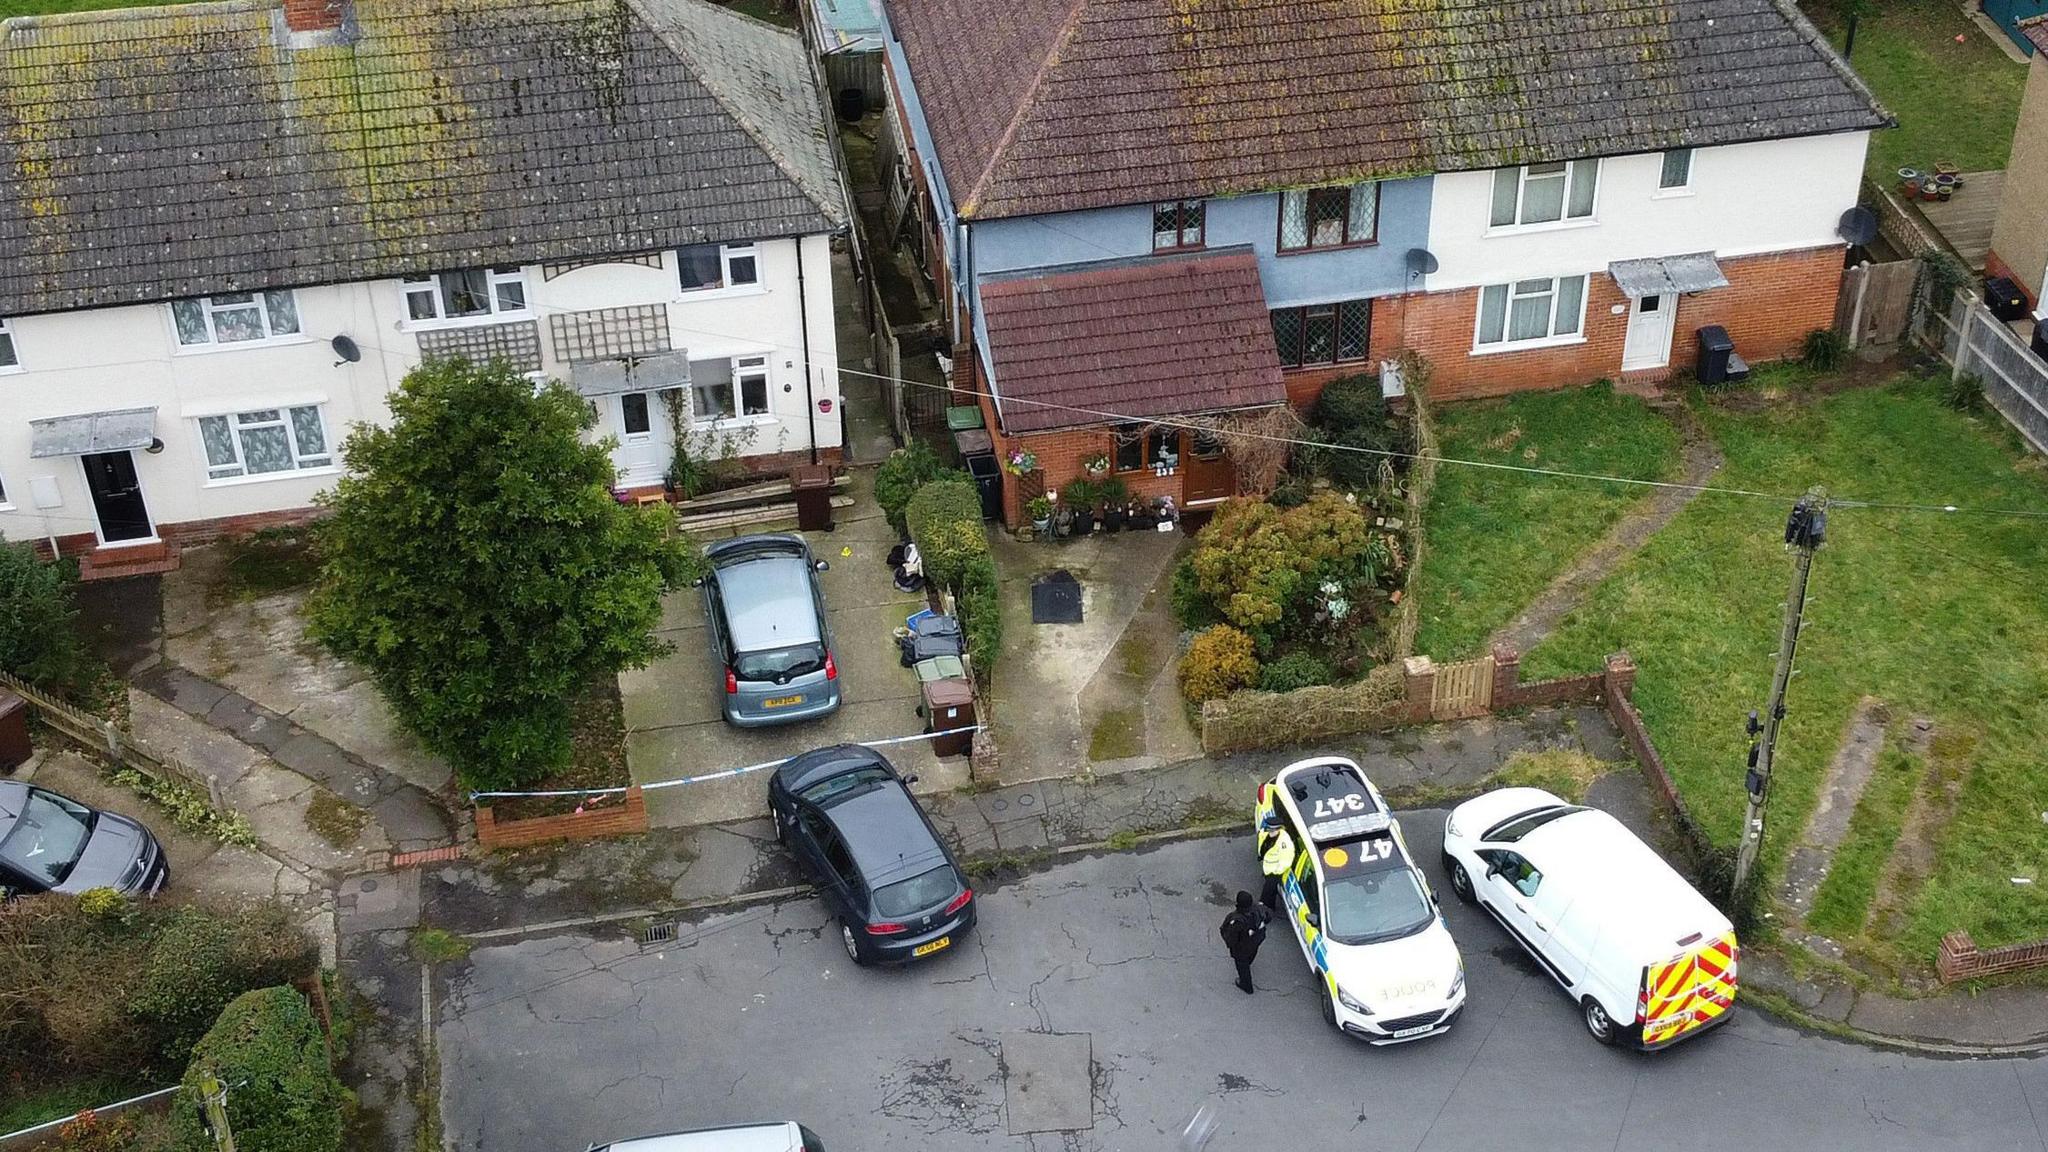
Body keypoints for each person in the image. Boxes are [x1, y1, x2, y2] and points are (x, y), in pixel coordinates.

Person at [1219, 890, 1272, 995]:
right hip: (1257, 939)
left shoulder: (1236, 920)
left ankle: (1246, 985)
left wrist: (1230, 945)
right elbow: (1268, 917)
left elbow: (1230, 938)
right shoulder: (1259, 908)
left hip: (1242, 947)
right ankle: (1249, 962)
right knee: (1252, 952)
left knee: (1242, 964)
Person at [1257, 811, 1295, 913]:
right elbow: (1262, 841)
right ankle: (1269, 907)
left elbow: (1287, 859)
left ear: (1278, 829)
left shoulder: (1284, 842)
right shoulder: (1266, 833)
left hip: (1274, 871)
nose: (1270, 833)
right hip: (1267, 867)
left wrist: (1277, 871)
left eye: (1272, 831)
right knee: (1271, 890)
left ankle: (1264, 906)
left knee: (1268, 889)